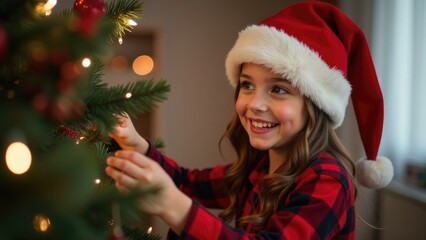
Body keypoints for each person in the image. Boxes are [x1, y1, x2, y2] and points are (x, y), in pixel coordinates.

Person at [105, 1, 394, 239]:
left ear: (315, 105)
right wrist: (137, 144)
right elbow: (186, 183)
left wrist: (176, 208)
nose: (255, 104)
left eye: (279, 89)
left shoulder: (327, 180)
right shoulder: (258, 168)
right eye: (247, 85)